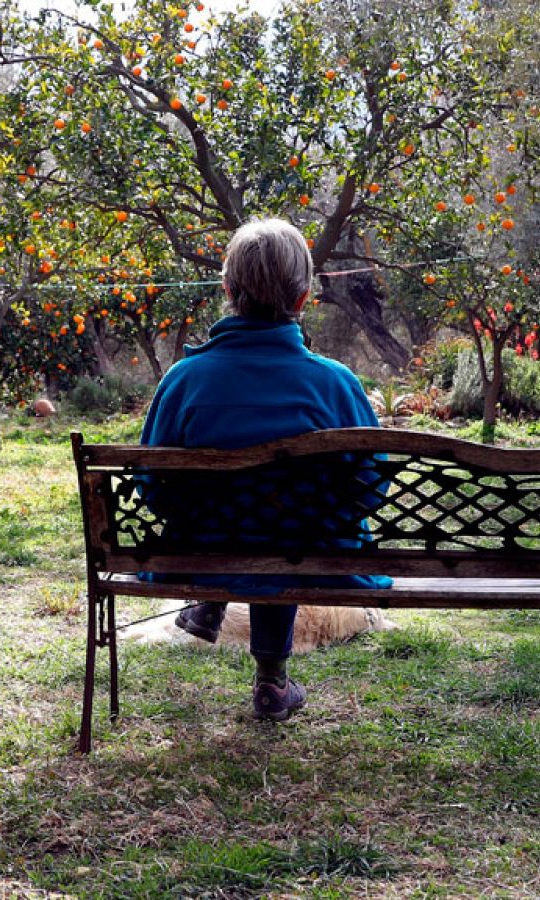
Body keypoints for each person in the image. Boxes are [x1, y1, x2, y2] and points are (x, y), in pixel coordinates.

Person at [139, 218, 391, 722]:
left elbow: (152, 482)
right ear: (303, 299)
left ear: (228, 291)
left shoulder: (185, 379)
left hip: (206, 550)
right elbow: (371, 486)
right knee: (287, 540)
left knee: (241, 532)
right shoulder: (335, 383)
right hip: (312, 549)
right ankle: (271, 681)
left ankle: (209, 603)